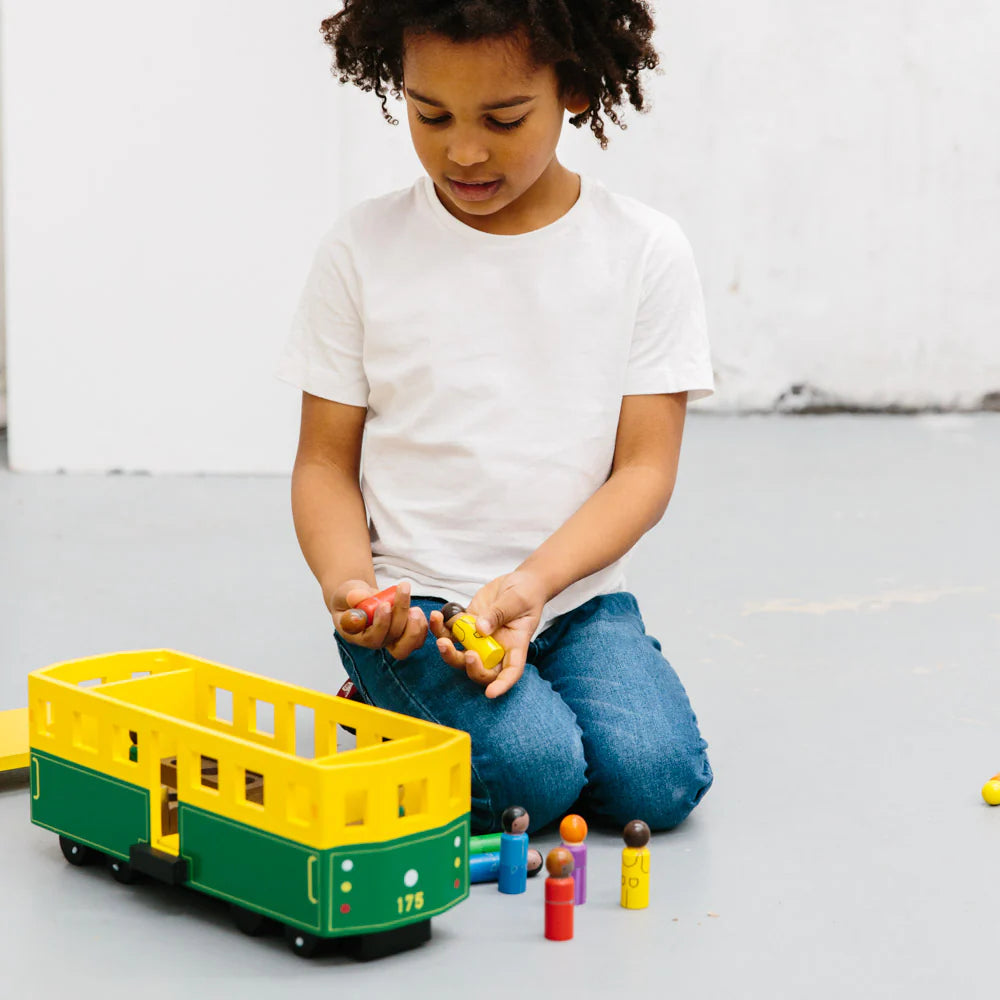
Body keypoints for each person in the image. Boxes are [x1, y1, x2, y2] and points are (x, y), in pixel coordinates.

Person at [276, 0, 714, 835]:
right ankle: (381, 690)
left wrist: (532, 587)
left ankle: (430, 729)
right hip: (420, 613)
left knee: (659, 783)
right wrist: (352, 590)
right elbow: (324, 464)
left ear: (575, 89)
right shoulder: (361, 249)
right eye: (428, 113)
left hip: (574, 600)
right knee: (536, 780)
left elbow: (645, 470)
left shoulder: (646, 252)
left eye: (504, 118)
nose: (463, 150)